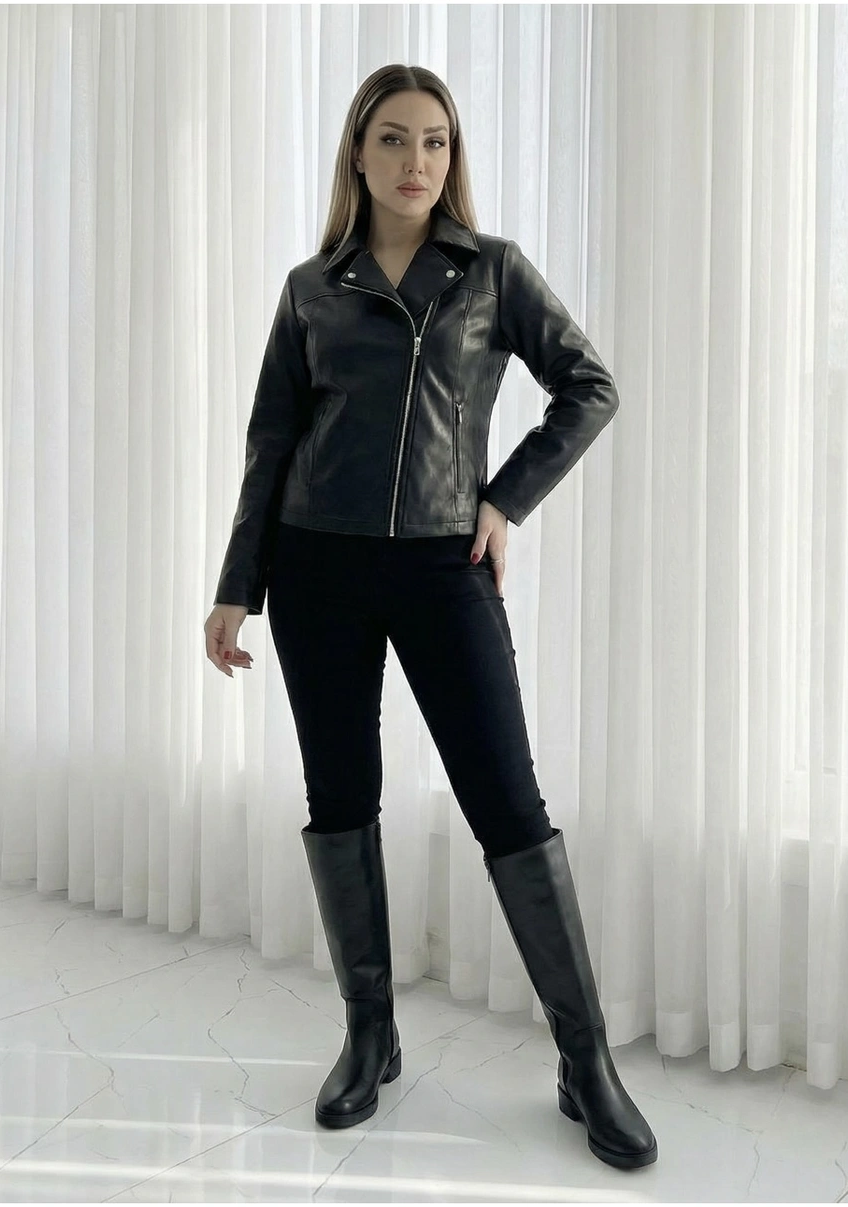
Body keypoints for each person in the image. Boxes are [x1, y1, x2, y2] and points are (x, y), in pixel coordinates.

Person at [202, 63, 657, 1171]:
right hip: (317, 567)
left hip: (445, 565)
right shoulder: (312, 289)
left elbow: (589, 386)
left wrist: (503, 499)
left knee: (509, 804)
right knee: (340, 798)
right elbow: (271, 442)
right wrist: (237, 584)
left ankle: (585, 1058)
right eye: (396, 139)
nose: (418, 161)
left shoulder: (492, 271)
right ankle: (370, 1033)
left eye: (437, 141)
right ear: (359, 154)